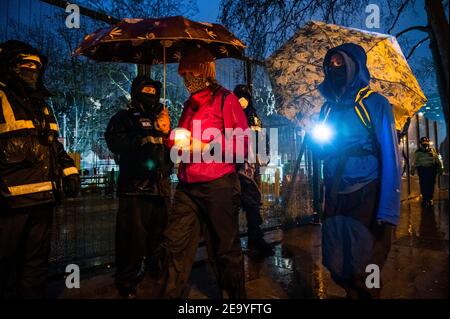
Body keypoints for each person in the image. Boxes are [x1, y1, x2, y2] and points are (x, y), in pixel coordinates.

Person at [312, 43, 401, 299]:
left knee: (365, 265)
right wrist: (317, 146)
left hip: (366, 194)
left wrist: (387, 211)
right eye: (330, 64)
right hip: (336, 193)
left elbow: (390, 156)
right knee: (337, 262)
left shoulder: (375, 103)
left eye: (341, 63)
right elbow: (323, 151)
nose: (334, 68)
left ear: (355, 66)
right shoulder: (327, 108)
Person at [160, 45, 248, 299]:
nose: (187, 80)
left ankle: (234, 299)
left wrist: (206, 146)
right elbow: (179, 145)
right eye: (183, 75)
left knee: (224, 248)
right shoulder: (189, 105)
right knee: (175, 243)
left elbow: (241, 146)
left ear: (205, 73)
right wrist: (169, 133)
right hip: (188, 185)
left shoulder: (225, 100)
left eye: (191, 74)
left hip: (218, 184)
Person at [0, 40, 80, 298]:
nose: (32, 70)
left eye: (36, 66)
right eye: (26, 64)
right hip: (8, 203)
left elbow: (53, 145)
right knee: (4, 267)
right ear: (10, 66)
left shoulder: (41, 105)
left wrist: (69, 171)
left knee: (35, 267)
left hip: (43, 200)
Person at [105, 76, 172, 298]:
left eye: (154, 90)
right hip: (135, 189)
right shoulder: (123, 118)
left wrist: (169, 133)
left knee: (159, 237)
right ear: (136, 92)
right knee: (131, 239)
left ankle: (157, 271)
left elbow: (171, 151)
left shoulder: (164, 119)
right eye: (146, 90)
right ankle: (127, 280)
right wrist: (140, 135)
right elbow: (114, 142)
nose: (151, 94)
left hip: (160, 188)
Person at [233, 84, 274, 258]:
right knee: (232, 206)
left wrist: (264, 154)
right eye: (239, 97)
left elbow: (262, 137)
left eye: (245, 97)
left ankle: (255, 240)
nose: (242, 100)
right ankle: (233, 245)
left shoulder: (254, 118)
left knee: (253, 206)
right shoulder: (231, 115)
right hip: (235, 168)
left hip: (251, 167)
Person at [411, 136, 443, 208]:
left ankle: (429, 199)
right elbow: (414, 162)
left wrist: (440, 169)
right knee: (425, 185)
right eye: (424, 143)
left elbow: (437, 160)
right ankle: (426, 199)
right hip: (424, 171)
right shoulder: (419, 152)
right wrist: (412, 170)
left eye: (426, 142)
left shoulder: (431, 150)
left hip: (430, 171)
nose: (425, 144)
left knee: (429, 185)